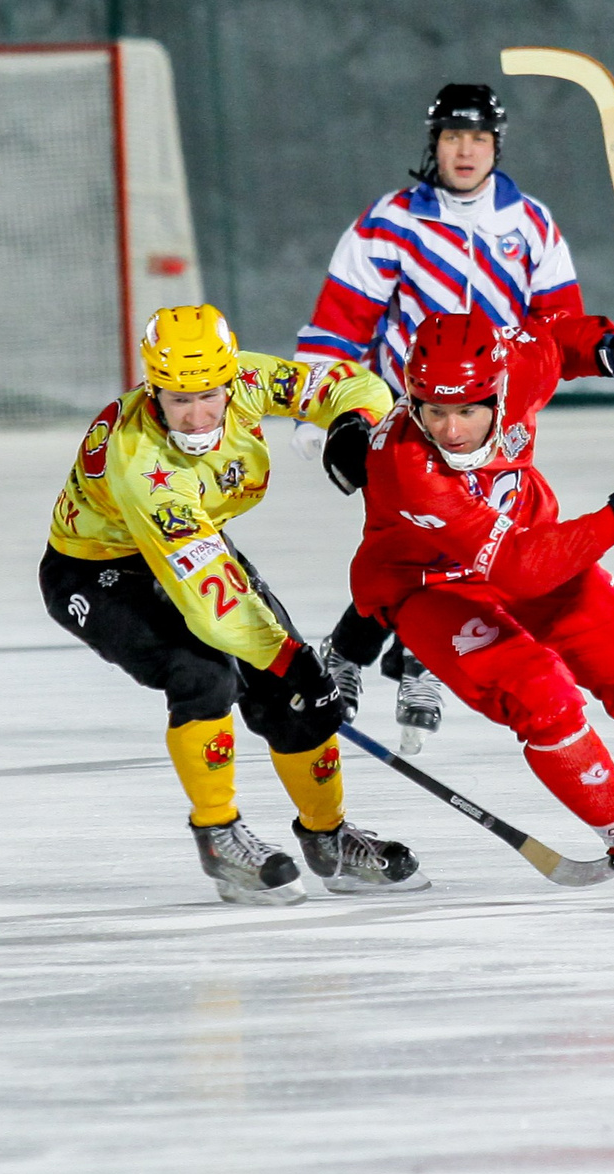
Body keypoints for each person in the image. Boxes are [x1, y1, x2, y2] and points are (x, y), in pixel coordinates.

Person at [293, 81, 614, 754]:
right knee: (403, 543)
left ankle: (412, 658)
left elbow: (559, 330)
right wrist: (326, 419)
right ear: (433, 144)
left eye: (479, 138)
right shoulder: (390, 222)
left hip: (492, 419)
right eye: (453, 137)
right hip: (408, 419)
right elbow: (339, 325)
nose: (465, 151)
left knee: (479, 545)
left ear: (497, 144)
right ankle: (366, 655)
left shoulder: (531, 225)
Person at [350, 310, 614, 907]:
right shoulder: (404, 466)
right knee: (544, 697)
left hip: (535, 546)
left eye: (468, 411)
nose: (450, 431)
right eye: (434, 411)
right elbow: (518, 568)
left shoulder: (520, 364)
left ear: (499, 389)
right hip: (435, 588)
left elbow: (556, 337)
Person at [41, 305, 413, 906]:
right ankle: (218, 835)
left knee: (295, 696)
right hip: (98, 569)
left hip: (196, 539)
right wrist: (291, 657)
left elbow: (349, 382)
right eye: (176, 399)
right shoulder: (142, 461)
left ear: (228, 379)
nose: (194, 415)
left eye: (207, 396)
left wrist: (353, 423)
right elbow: (213, 601)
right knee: (206, 674)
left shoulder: (247, 378)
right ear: (153, 388)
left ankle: (330, 838)